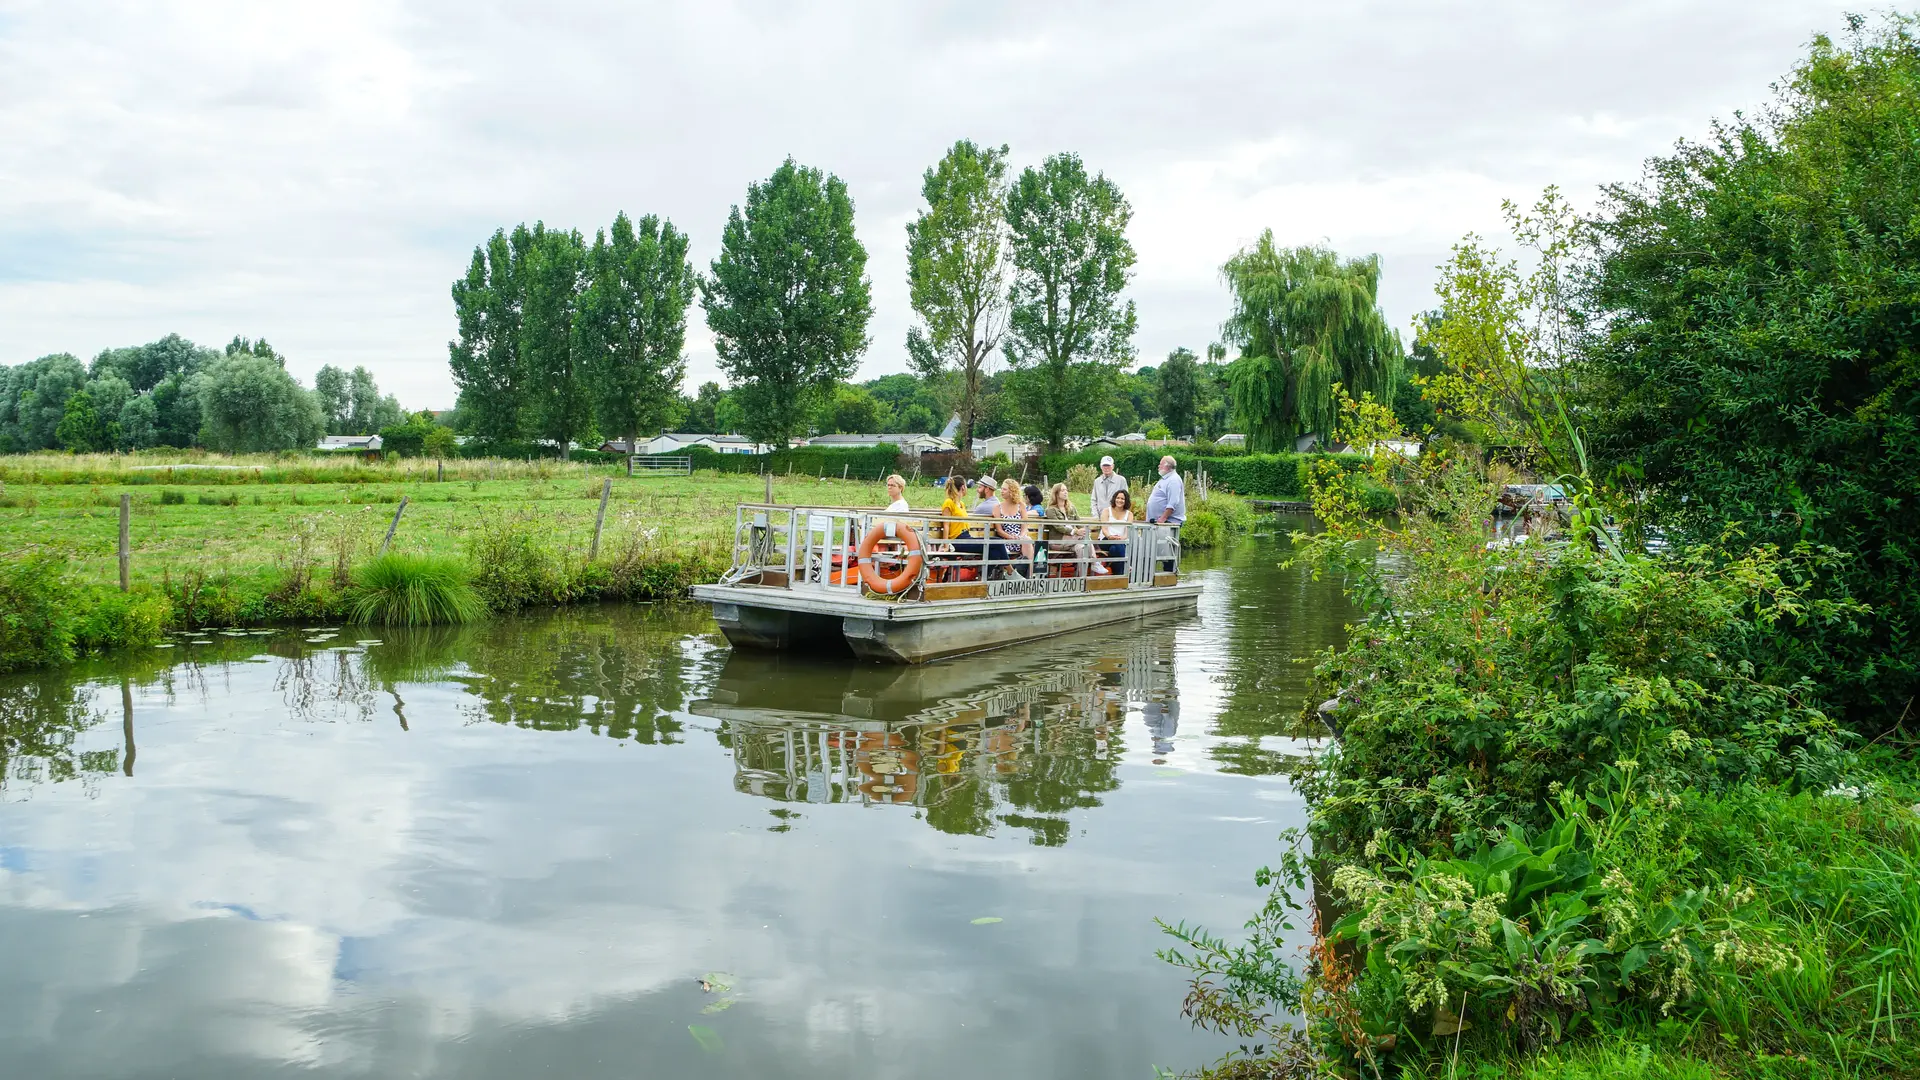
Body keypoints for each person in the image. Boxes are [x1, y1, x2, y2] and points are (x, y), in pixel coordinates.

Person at [1145, 455, 1186, 574]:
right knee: (1157, 550)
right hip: (1159, 522)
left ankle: (1169, 576)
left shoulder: (1173, 480)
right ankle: (1155, 576)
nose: (1158, 466)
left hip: (1168, 523)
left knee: (1166, 553)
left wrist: (1163, 519)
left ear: (1167, 466)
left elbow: (1173, 503)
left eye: (1161, 464)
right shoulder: (1165, 479)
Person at [1044, 482, 1090, 575]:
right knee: (1084, 539)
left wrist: (1083, 531)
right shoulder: (1051, 510)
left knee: (1081, 547)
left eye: (1066, 490)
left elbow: (1078, 522)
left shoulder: (1071, 508)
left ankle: (1082, 577)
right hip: (1058, 541)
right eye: (1062, 490)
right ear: (1056, 493)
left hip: (1074, 540)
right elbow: (1058, 527)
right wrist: (1076, 532)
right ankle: (1095, 562)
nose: (1066, 492)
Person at [990, 477, 1033, 579]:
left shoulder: (1021, 505)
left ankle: (1030, 576)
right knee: (1002, 546)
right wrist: (1010, 537)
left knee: (1027, 540)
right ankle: (1011, 574)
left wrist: (1020, 536)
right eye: (1001, 489)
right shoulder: (997, 508)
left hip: (1020, 538)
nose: (1002, 491)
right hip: (1006, 539)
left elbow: (1024, 525)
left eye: (1004, 489)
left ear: (1012, 491)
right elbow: (999, 530)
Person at [1096, 488, 1133, 575]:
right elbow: (1104, 529)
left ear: (1126, 501)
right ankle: (1125, 567)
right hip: (1106, 539)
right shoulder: (1106, 511)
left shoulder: (1129, 514)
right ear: (1114, 499)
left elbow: (1127, 533)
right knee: (1117, 545)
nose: (1119, 500)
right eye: (1118, 498)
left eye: (1122, 499)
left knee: (1114, 550)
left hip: (1120, 541)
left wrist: (1121, 538)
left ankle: (1118, 575)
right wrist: (1110, 536)